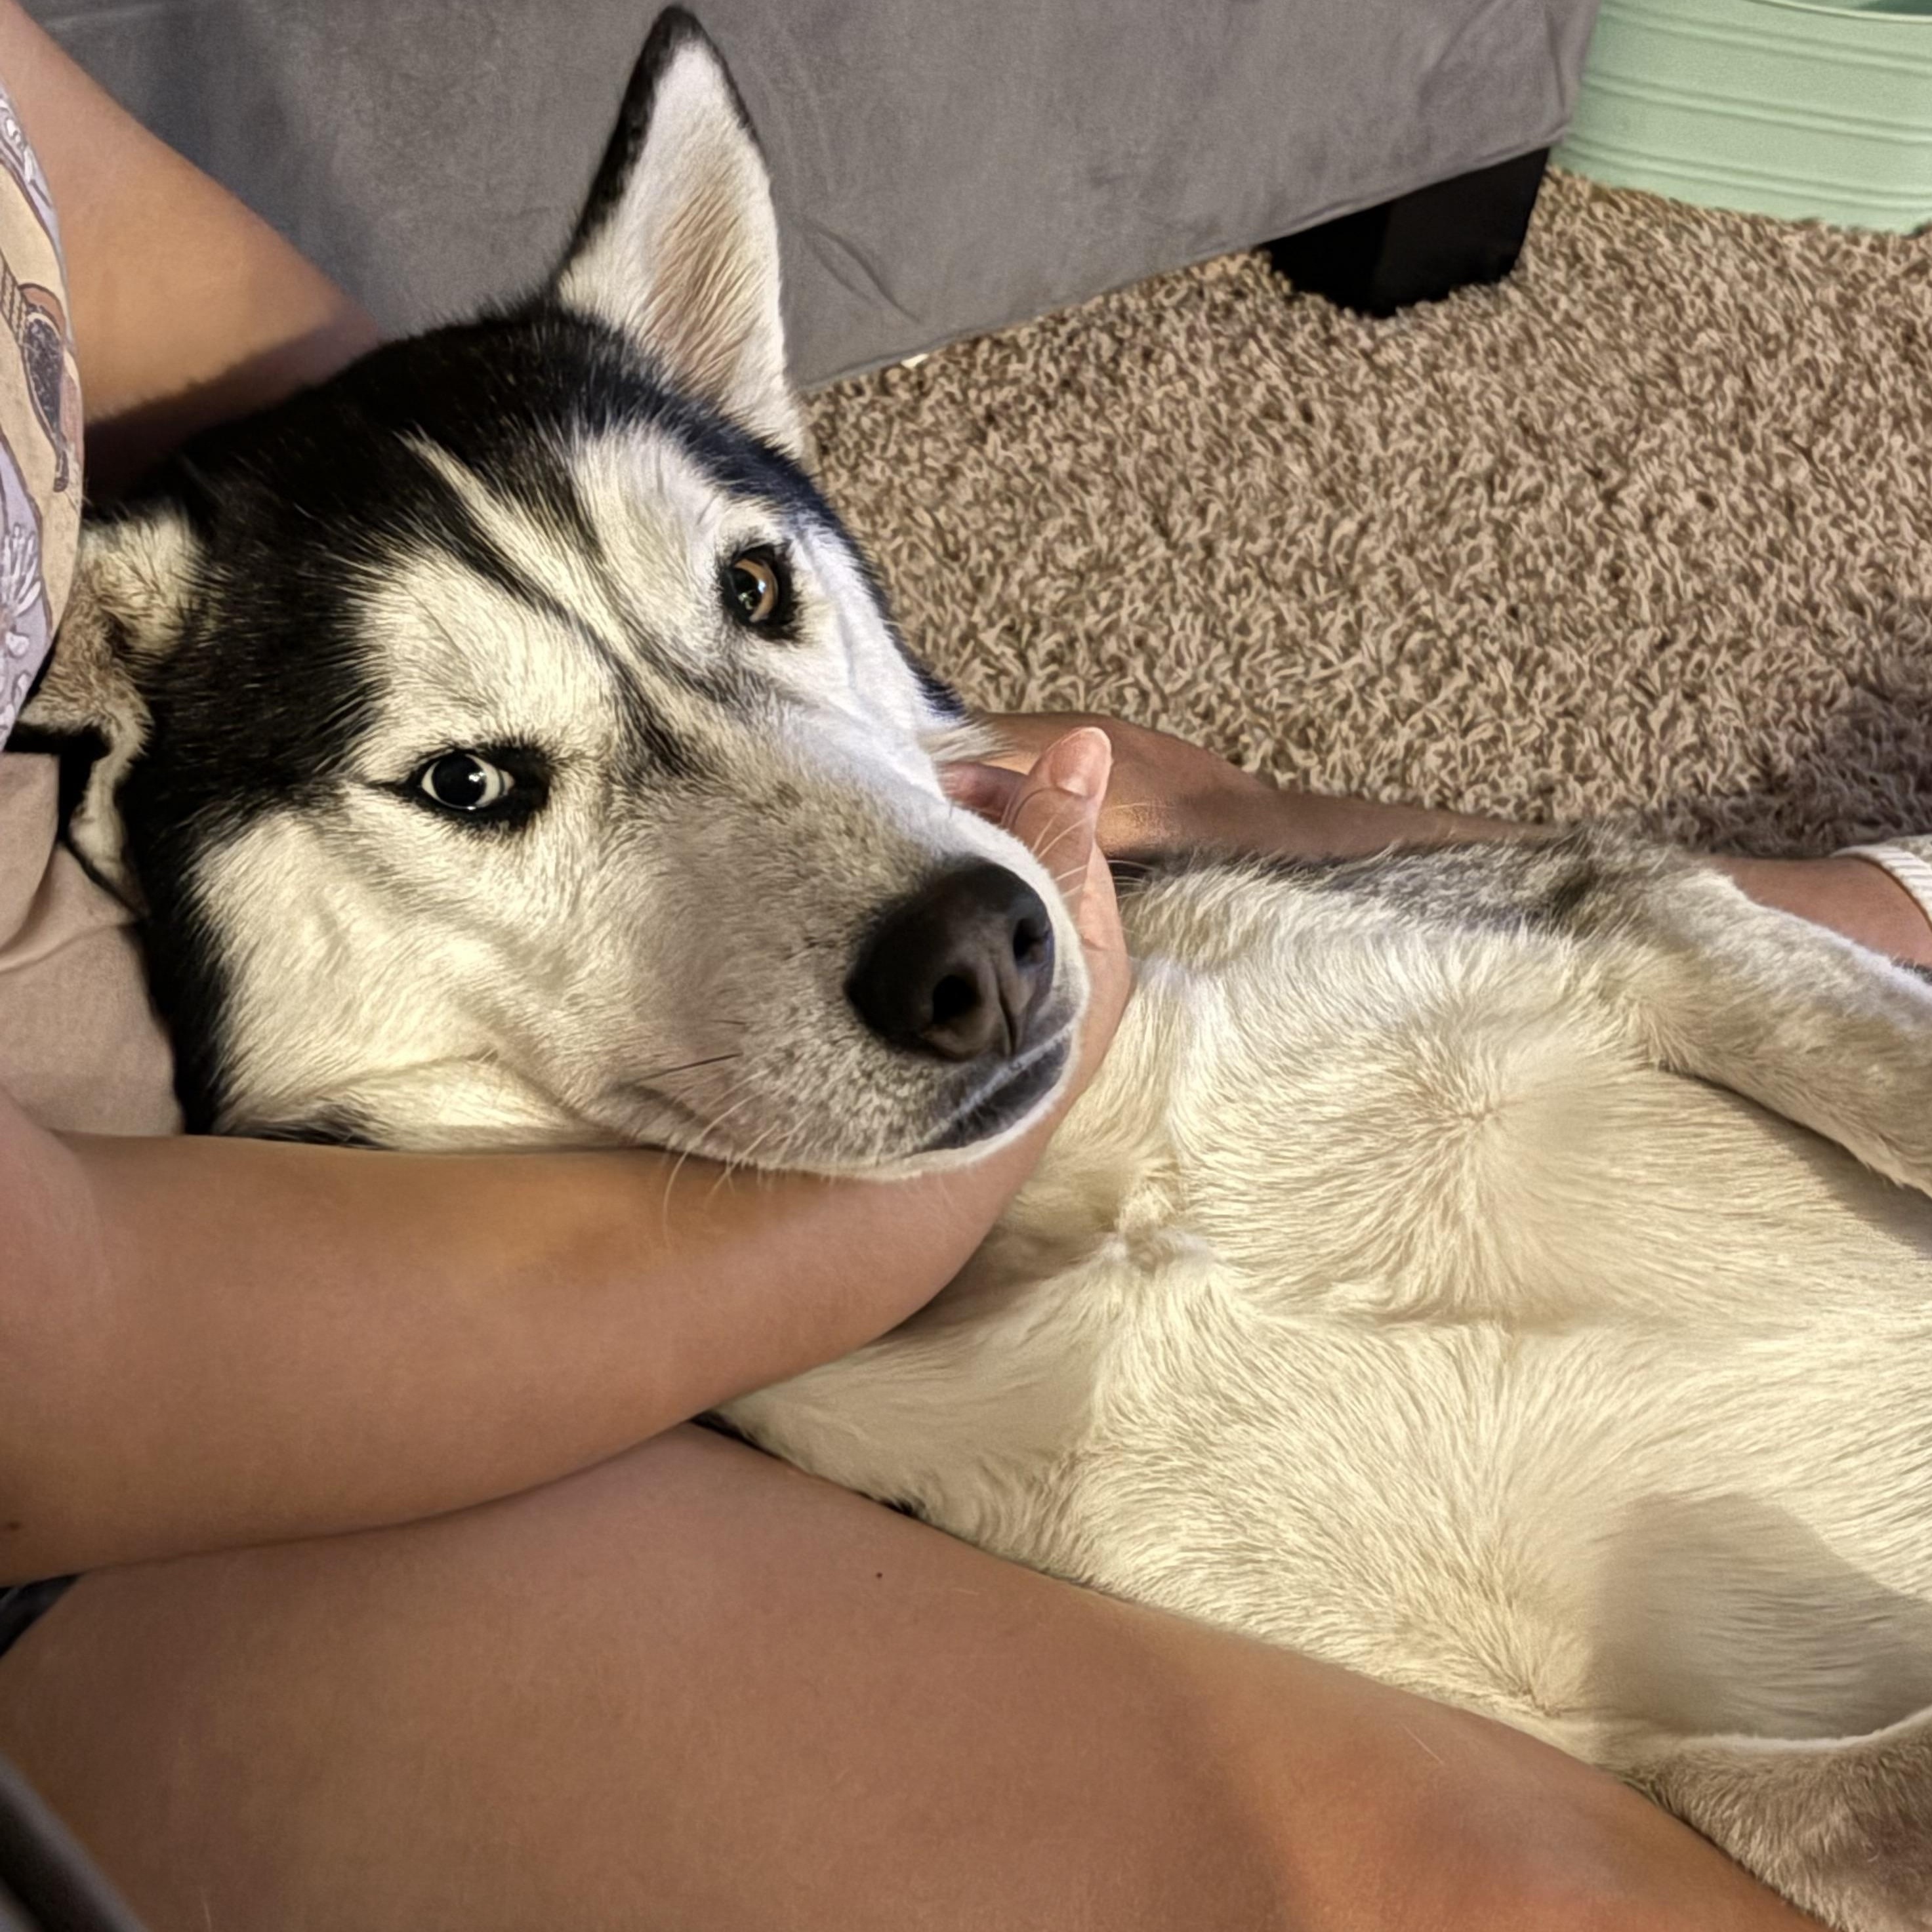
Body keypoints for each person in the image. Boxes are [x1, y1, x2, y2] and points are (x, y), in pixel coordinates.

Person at [0, 7, 1912, 1925]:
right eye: (482, 782)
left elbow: (181, 321)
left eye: (751, 583)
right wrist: (879, 1233)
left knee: (1328, 838)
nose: (934, 908)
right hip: (218, 1314)